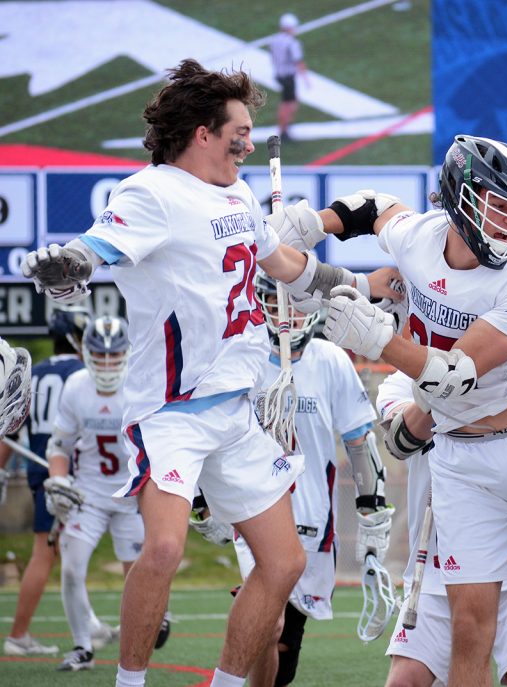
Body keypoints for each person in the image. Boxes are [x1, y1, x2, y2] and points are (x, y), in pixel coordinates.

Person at [20, 59, 400, 687]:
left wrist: (361, 283)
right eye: (240, 130)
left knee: (284, 564)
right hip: (170, 411)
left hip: (235, 407)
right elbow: (95, 247)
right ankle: (129, 683)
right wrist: (68, 260)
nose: (250, 142)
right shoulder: (152, 192)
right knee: (164, 548)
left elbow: (286, 266)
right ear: (202, 132)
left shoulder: (239, 193)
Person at [271, 134, 507, 686]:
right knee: (468, 633)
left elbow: (456, 374)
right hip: (461, 458)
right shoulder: (422, 239)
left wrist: (380, 342)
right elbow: (373, 208)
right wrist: (311, 225)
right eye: (499, 205)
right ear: (460, 197)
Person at [219, 270, 392, 686]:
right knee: (270, 625)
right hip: (255, 512)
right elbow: (213, 433)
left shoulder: (329, 359)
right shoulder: (244, 355)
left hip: (312, 521)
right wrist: (206, 501)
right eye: (276, 303)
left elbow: (359, 442)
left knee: (284, 648)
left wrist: (371, 512)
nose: (286, 314)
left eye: (295, 303)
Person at [376, 370, 507, 686]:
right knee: (405, 679)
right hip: (437, 565)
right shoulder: (402, 381)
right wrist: (438, 386)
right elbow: (404, 434)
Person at [1, 304, 104, 657]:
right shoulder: (83, 374)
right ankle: (18, 634)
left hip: (36, 469)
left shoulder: (34, 372)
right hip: (68, 469)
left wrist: (1, 471)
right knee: (46, 552)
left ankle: (88, 623)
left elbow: (10, 425)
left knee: (63, 548)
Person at [45, 316, 145, 671]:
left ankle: (144, 637)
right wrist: (58, 480)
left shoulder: (139, 384)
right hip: (87, 495)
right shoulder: (75, 386)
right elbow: (60, 445)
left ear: (126, 354)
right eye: (99, 356)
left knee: (140, 576)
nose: (106, 364)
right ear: (85, 353)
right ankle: (82, 647)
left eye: (114, 356)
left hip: (132, 495)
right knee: (71, 571)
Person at [269, 13, 307, 141]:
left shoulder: (274, 40)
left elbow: (273, 58)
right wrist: (306, 79)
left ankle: (285, 127)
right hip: (288, 76)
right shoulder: (292, 42)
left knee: (290, 101)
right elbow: (298, 61)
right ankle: (283, 130)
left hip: (279, 74)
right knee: (288, 104)